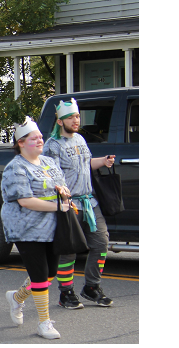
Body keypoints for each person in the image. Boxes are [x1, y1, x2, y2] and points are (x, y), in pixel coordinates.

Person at [0, 116, 71, 340]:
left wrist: (65, 195)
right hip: (26, 227)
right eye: (34, 138)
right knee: (40, 276)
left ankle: (17, 297)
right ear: (20, 142)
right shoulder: (15, 168)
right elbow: (25, 201)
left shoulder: (50, 162)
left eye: (41, 137)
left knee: (49, 274)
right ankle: (44, 323)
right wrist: (58, 206)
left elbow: (63, 186)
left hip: (52, 226)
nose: (40, 141)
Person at [43, 98, 117, 309]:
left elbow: (86, 164)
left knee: (101, 244)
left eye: (76, 116)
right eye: (71, 117)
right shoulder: (53, 145)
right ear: (60, 121)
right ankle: (66, 293)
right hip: (70, 205)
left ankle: (91, 287)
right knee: (69, 250)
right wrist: (61, 193)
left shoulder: (81, 140)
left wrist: (103, 161)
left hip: (90, 203)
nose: (76, 120)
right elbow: (50, 175)